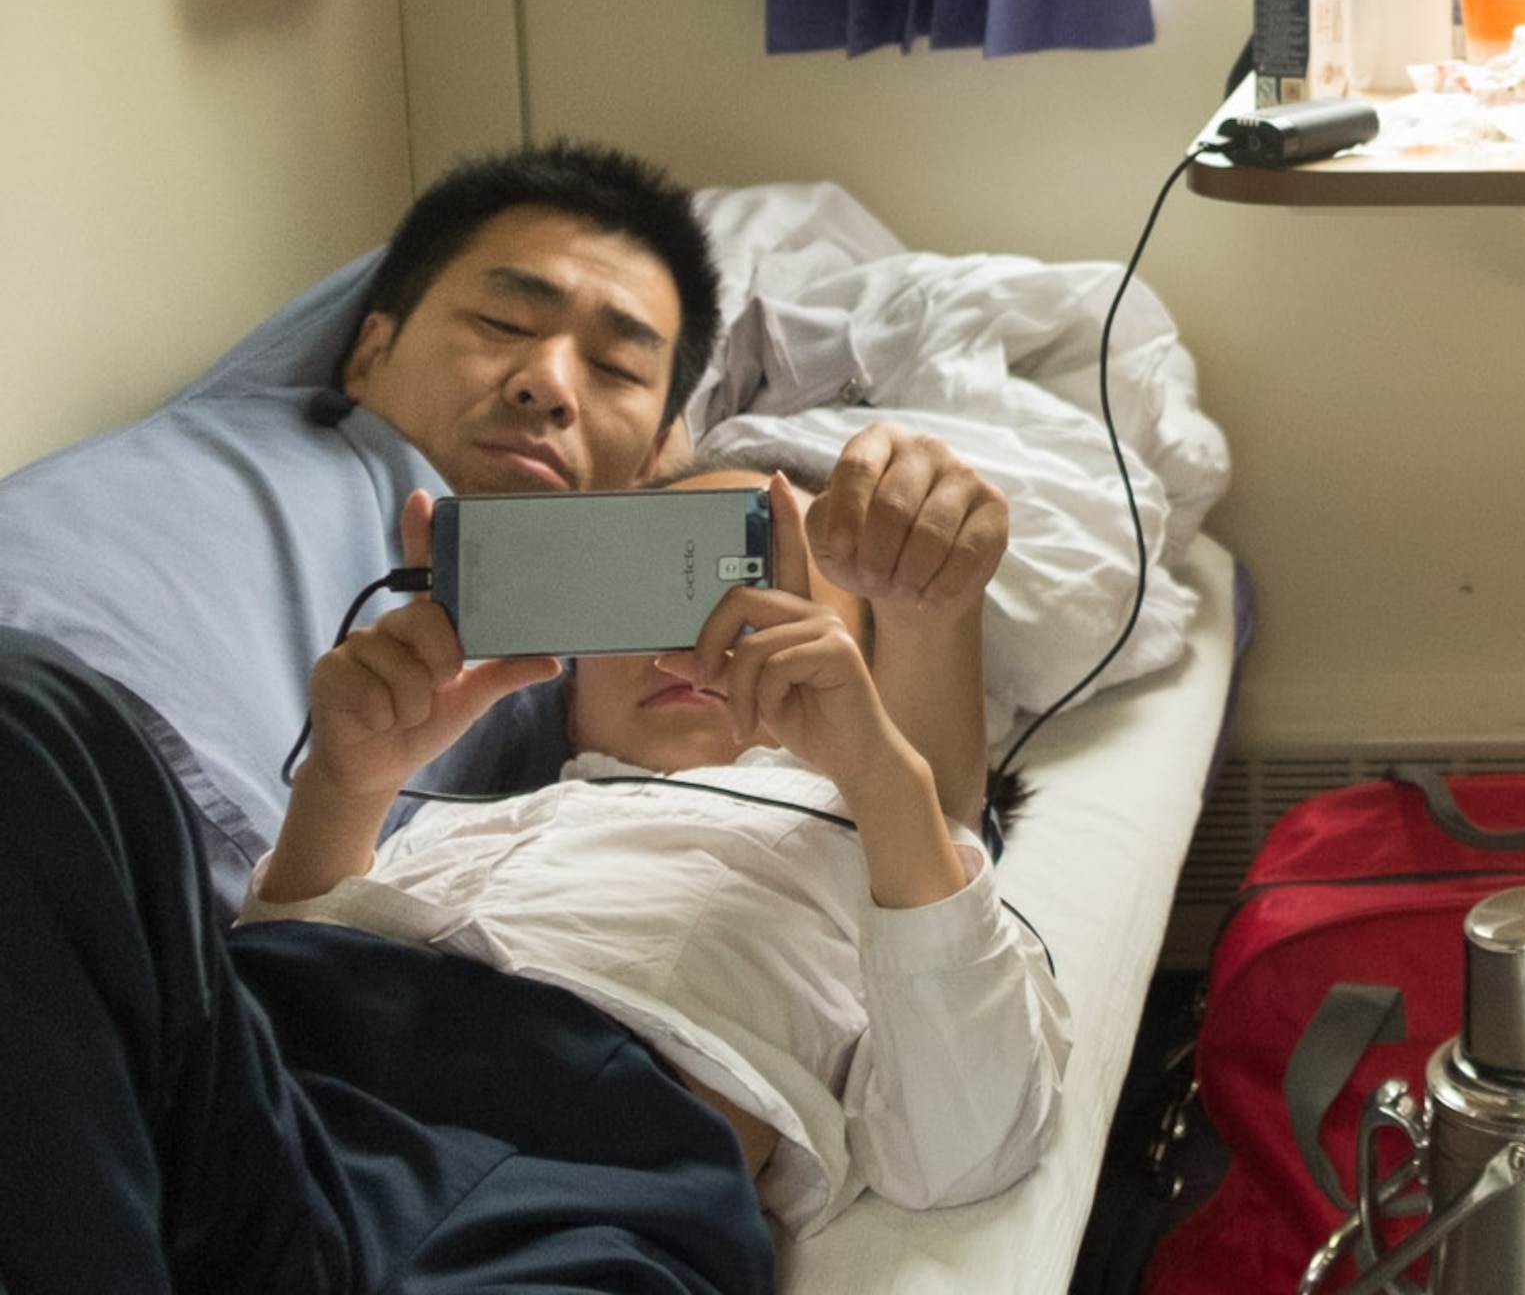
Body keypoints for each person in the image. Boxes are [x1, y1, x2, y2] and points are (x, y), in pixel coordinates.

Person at [0, 140, 1039, 1289]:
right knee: (29, 710)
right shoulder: (470, 809)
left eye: (760, 601)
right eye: (659, 586)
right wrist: (345, 785)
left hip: (567, 1172)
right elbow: (289, 968)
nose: (701, 639)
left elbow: (967, 1140)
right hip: (271, 1103)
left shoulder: (876, 858)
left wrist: (882, 778)